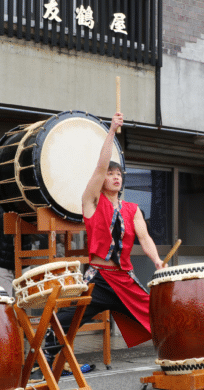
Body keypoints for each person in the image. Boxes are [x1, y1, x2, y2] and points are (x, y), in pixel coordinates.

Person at [54, 112, 164, 360]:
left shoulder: (132, 210)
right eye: (110, 173)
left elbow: (144, 239)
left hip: (124, 278)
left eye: (119, 174)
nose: (115, 176)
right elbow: (100, 165)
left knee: (158, 315)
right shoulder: (92, 202)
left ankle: (176, 356)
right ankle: (45, 363)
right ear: (101, 179)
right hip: (98, 278)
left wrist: (156, 260)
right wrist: (112, 130)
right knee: (64, 321)